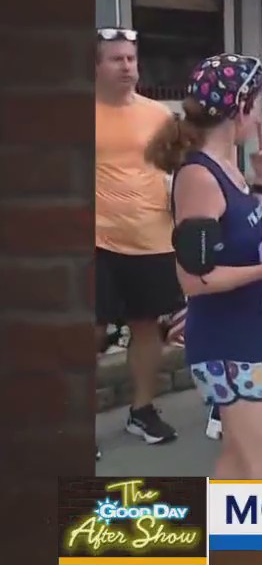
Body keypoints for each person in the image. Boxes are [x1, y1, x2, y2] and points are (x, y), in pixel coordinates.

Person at [144, 53, 262, 479]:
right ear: (240, 107)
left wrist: (261, 181)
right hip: (229, 345)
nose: (259, 113)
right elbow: (195, 279)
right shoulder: (199, 177)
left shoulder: (228, 165)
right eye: (257, 101)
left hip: (248, 334)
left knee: (238, 461)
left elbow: (239, 237)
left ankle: (215, 522)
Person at [95, 27, 183, 448]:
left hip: (153, 239)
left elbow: (179, 169)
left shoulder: (159, 115)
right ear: (96, 66)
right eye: (117, 59)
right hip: (98, 241)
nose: (127, 67)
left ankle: (142, 411)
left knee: (147, 328)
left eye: (131, 59)